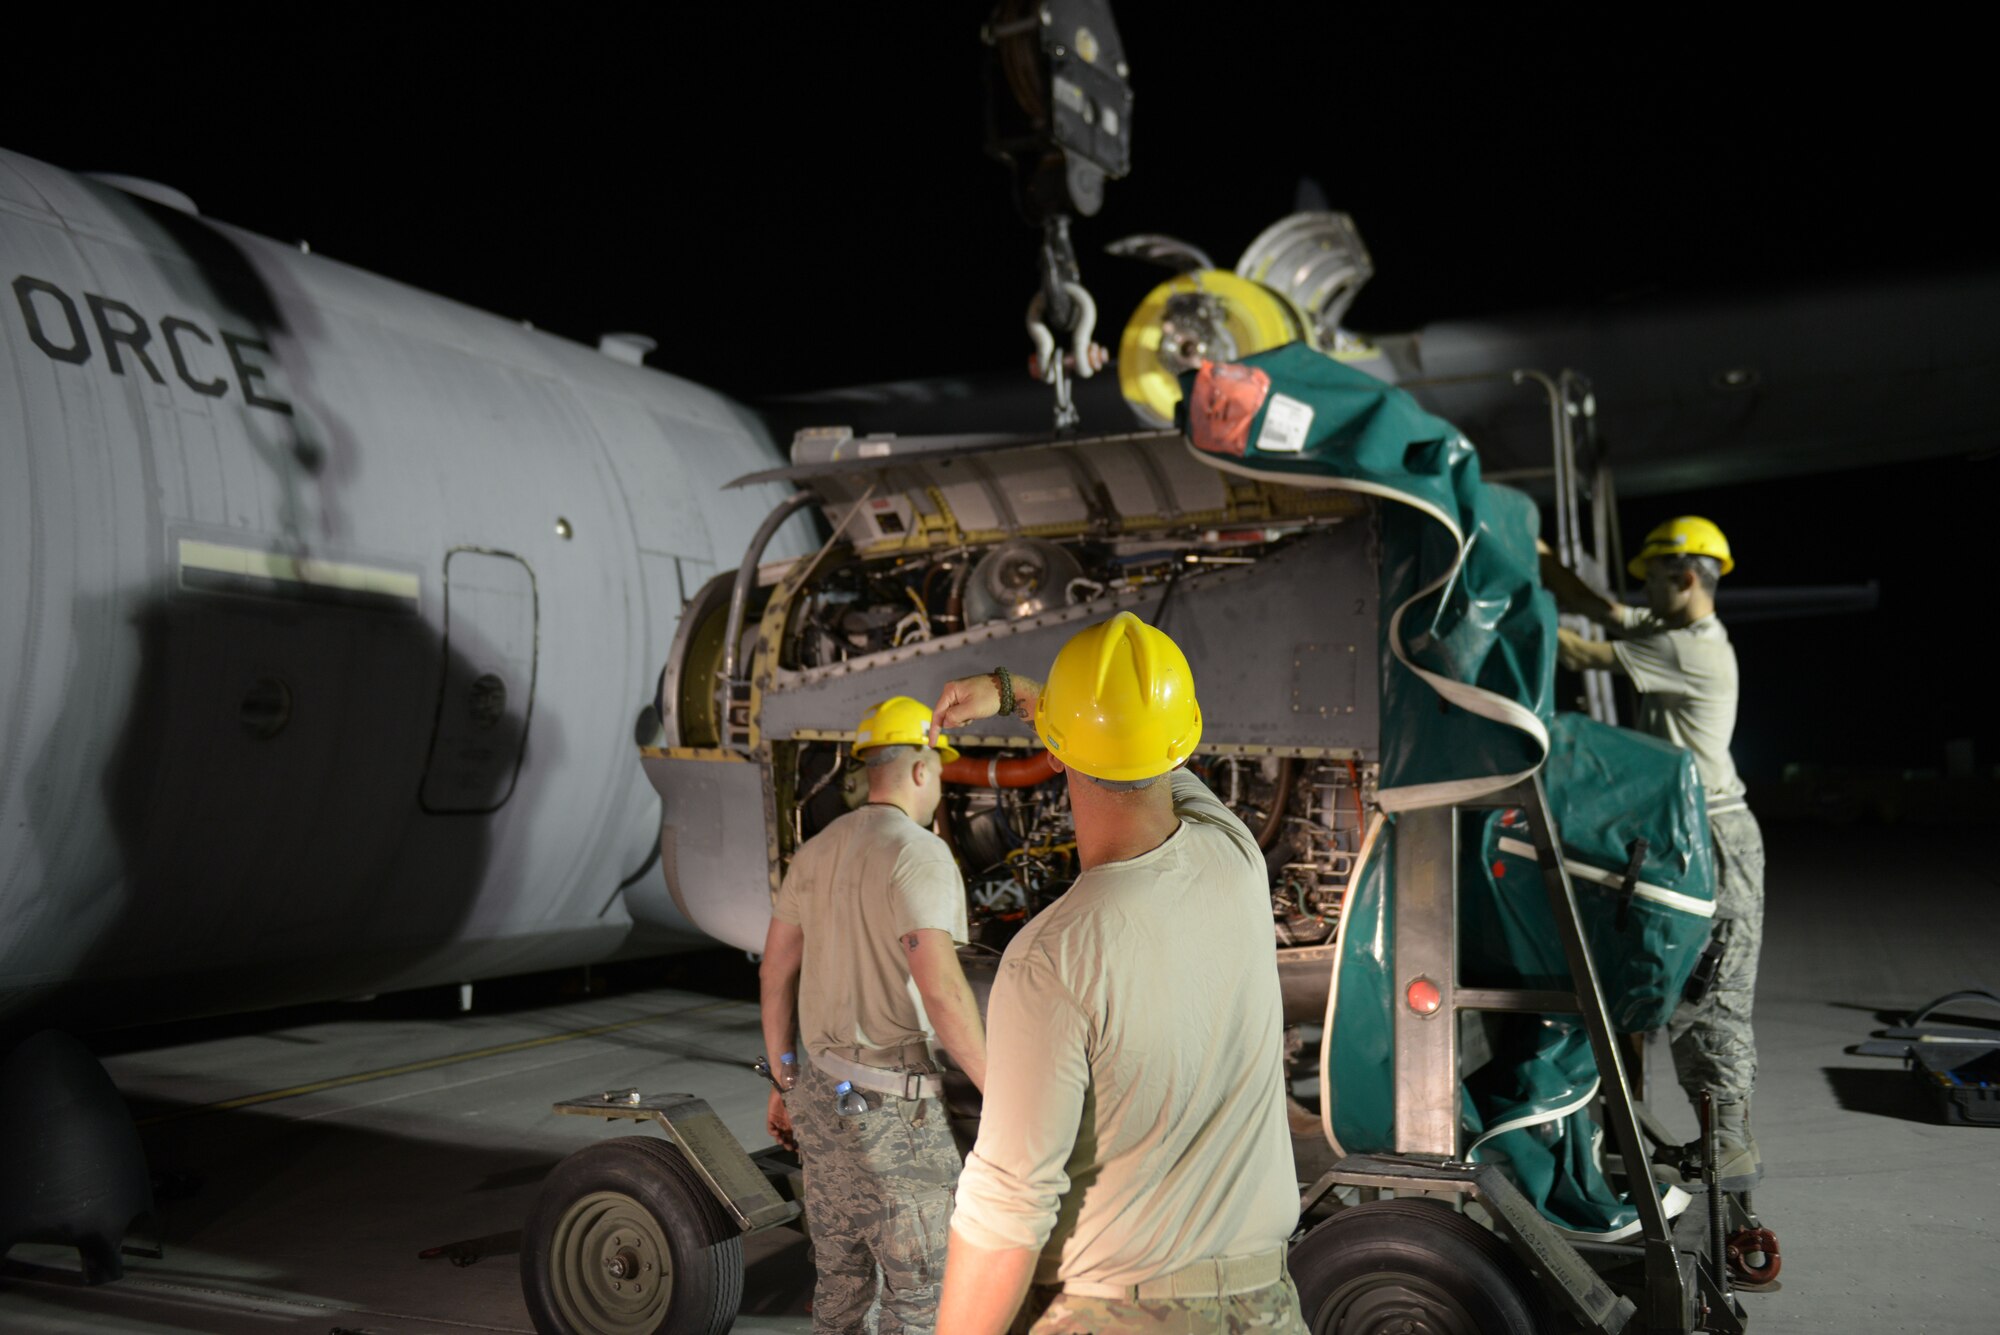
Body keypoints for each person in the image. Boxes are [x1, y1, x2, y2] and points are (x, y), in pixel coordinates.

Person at [929, 612, 1307, 1335]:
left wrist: (1014, 691)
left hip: (1117, 1312)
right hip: (1267, 1306)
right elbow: (1141, 756)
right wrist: (1022, 695)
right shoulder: (1235, 855)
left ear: (1057, 750)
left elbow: (1008, 1207)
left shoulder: (1053, 958)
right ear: (1181, 740)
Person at [1539, 516, 1766, 1190]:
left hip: (1719, 838)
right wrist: (1539, 554)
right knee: (1653, 970)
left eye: (1654, 578)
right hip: (1683, 829)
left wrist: (1505, 596)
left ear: (1686, 578)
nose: (1644, 591)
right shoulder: (1671, 628)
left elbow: (1581, 651)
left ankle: (1730, 1142)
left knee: (1710, 990)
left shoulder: (1694, 649)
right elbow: (1601, 609)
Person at [759, 694, 990, 1335]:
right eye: (940, 770)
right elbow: (941, 990)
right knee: (921, 1301)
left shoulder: (814, 852)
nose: (940, 783)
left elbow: (774, 973)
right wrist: (1002, 1092)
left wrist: (784, 1081)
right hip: (895, 1114)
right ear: (920, 769)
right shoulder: (919, 854)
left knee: (840, 1288)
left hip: (821, 1098)